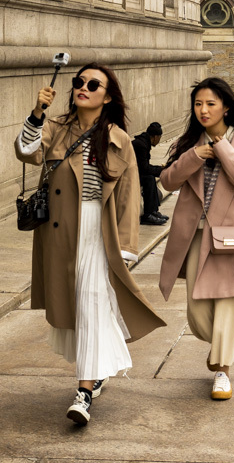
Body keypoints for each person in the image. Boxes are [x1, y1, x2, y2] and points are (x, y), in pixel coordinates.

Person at [15, 63, 165, 427]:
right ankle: (96, 372)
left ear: (107, 95)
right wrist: (37, 112)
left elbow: (129, 198)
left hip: (99, 234)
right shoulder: (55, 127)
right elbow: (25, 150)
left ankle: (83, 392)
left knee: (92, 303)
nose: (84, 87)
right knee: (75, 306)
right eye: (78, 82)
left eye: (93, 83)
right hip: (61, 232)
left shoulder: (118, 139)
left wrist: (128, 247)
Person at [158, 78, 234, 401]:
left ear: (226, 107)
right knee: (197, 313)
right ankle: (225, 346)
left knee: (229, 306)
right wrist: (195, 155)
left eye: (210, 104)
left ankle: (223, 371)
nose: (203, 110)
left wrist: (224, 151)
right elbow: (167, 181)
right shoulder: (191, 141)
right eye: (198, 104)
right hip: (198, 235)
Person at [133, 122, 167, 225]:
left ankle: (153, 211)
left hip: (136, 172)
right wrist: (161, 171)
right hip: (130, 175)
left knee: (150, 177)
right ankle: (148, 215)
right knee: (149, 179)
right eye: (160, 137)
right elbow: (144, 168)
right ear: (155, 137)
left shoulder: (144, 143)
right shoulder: (141, 145)